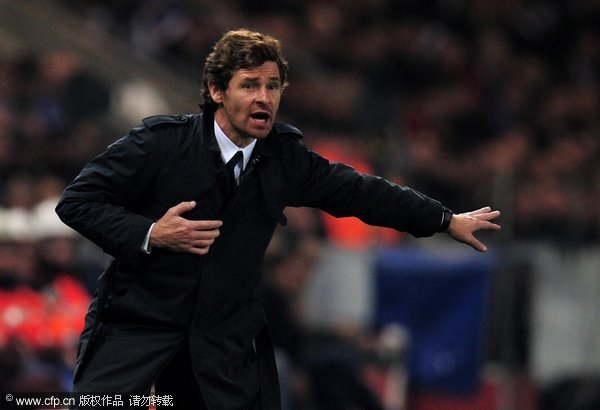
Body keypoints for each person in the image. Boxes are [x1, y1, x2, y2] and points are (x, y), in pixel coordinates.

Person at [56, 29, 501, 409]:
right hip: (137, 326)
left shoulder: (284, 159)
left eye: (273, 86)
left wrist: (444, 219)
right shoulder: (158, 144)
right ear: (216, 91)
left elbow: (363, 193)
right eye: (250, 85)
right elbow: (76, 202)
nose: (264, 98)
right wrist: (151, 232)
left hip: (220, 342)